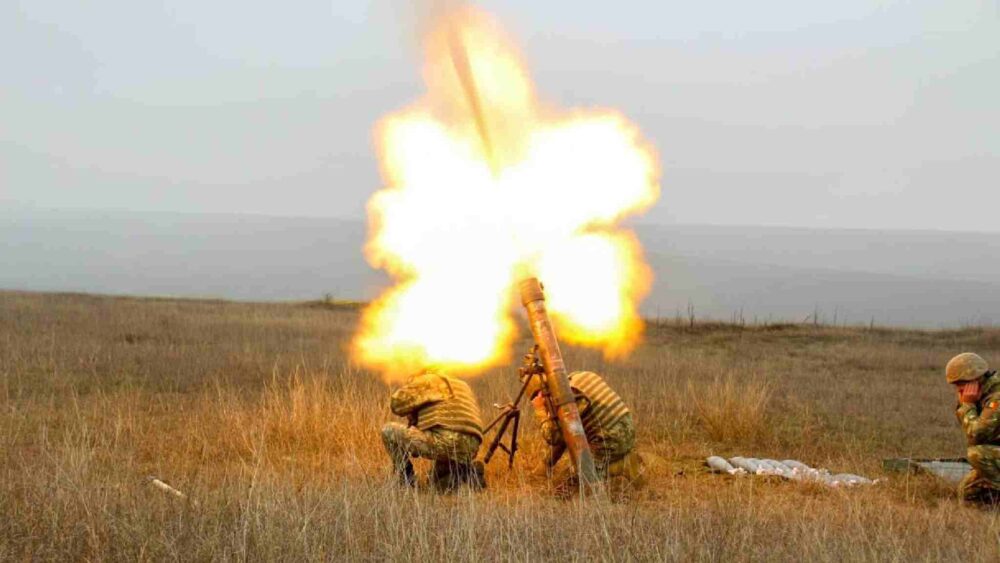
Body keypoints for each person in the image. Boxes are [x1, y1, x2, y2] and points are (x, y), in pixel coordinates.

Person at [525, 369, 642, 482]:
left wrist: (540, 410)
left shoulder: (567, 397)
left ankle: (620, 466)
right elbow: (565, 434)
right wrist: (545, 465)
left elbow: (554, 437)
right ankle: (622, 457)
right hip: (628, 432)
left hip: (610, 442)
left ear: (541, 393)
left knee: (565, 482)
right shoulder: (578, 377)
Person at [381, 369, 486, 490]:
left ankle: (406, 479)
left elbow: (396, 404)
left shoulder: (429, 380)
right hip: (471, 448)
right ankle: (469, 473)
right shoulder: (462, 385)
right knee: (435, 482)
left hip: (445, 441)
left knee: (388, 430)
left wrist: (412, 386)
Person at [947, 352, 1000, 505]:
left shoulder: (996, 398)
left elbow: (977, 435)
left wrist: (968, 405)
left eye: (960, 384)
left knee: (978, 454)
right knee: (968, 490)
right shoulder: (985, 394)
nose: (958, 390)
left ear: (974, 380)